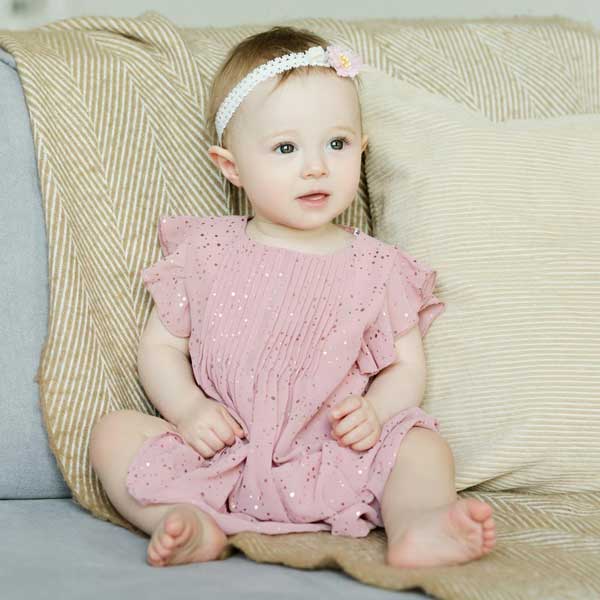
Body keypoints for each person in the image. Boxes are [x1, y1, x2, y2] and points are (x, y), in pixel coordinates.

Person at [89, 25, 496, 570]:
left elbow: (406, 365)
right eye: (286, 147)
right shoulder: (205, 251)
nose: (316, 166)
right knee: (112, 434)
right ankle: (185, 521)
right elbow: (161, 346)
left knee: (421, 444)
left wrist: (376, 410)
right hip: (223, 452)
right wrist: (187, 409)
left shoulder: (378, 267)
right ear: (231, 167)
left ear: (361, 149)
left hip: (335, 454)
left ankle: (419, 523)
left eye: (337, 144)